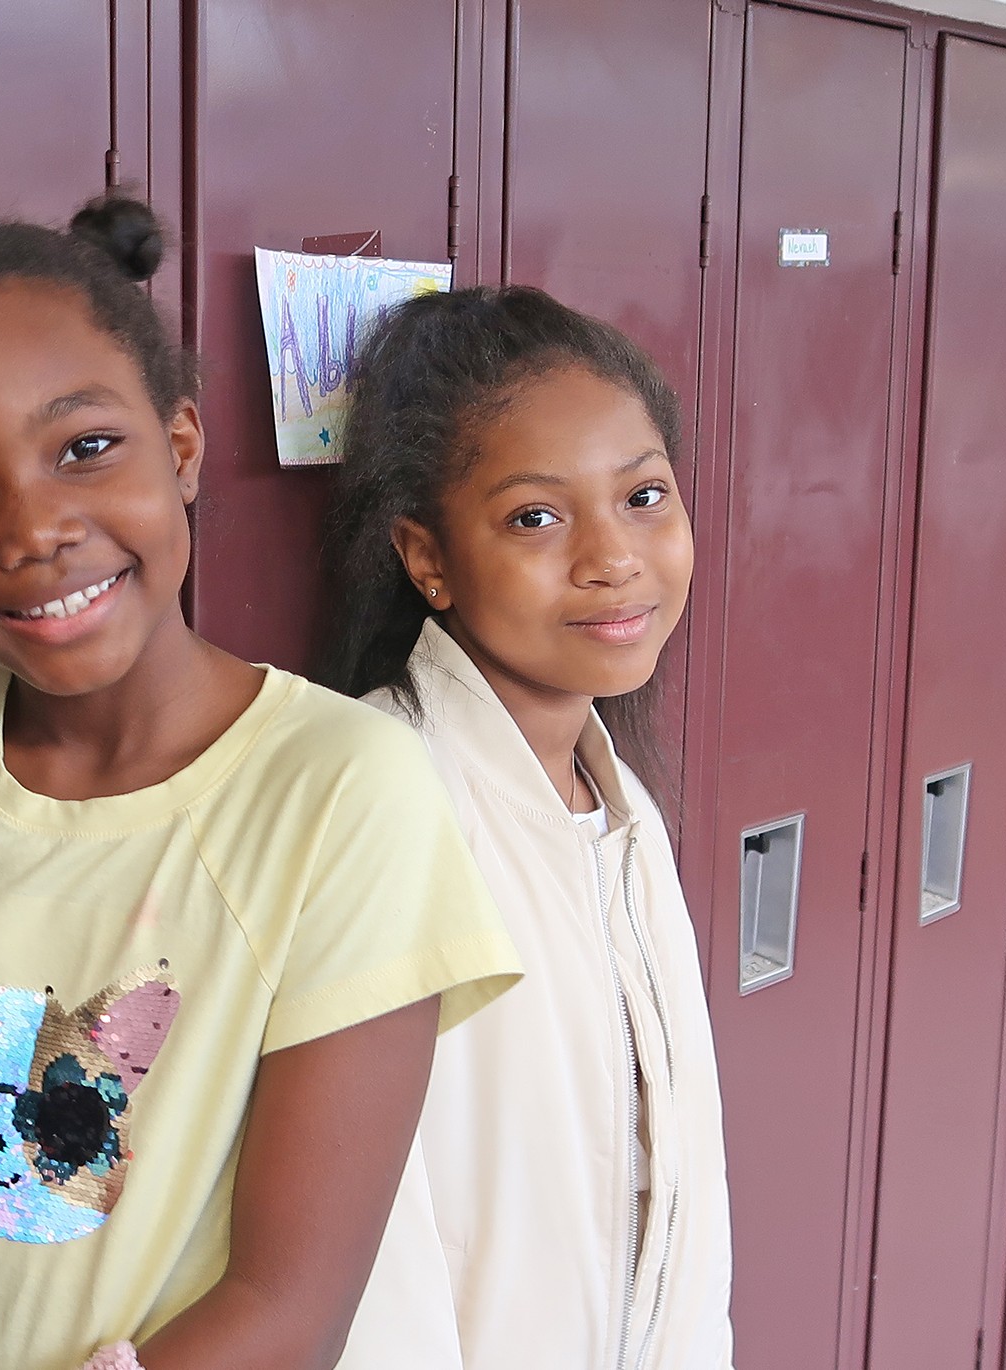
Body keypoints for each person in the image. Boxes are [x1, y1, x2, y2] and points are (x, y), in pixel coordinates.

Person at [0, 197, 519, 1370]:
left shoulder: (342, 789)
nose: (36, 528)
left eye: (84, 448)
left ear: (181, 450)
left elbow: (289, 1303)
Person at [320, 285, 734, 1369]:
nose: (613, 555)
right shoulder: (383, 794)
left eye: (645, 495)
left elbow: (684, 1201)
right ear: (428, 556)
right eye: (536, 517)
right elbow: (375, 1262)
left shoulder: (620, 808)